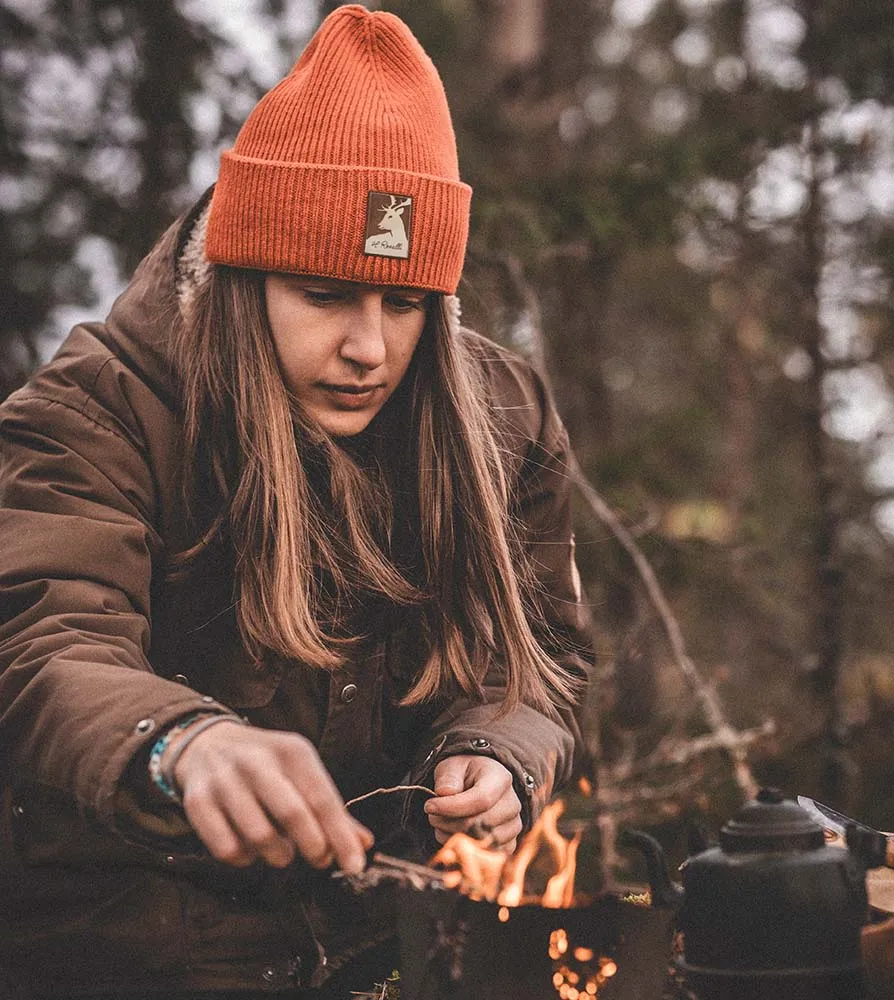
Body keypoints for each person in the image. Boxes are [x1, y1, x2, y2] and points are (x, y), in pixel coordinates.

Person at [0, 7, 591, 999]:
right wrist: (182, 745)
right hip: (127, 954)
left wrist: (501, 751)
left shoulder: (503, 419)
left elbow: (543, 654)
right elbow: (44, 647)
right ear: (243, 277)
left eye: (403, 304)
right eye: (325, 295)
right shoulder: (94, 412)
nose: (369, 349)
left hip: (390, 939)